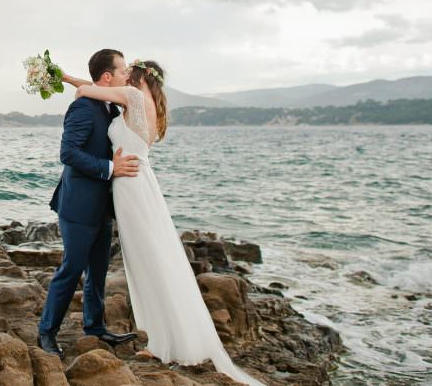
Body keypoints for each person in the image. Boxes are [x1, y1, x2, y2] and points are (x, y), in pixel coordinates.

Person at [66, 59, 266, 386]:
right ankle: (163, 341)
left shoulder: (131, 96)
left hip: (130, 186)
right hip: (141, 185)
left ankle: (165, 343)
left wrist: (73, 87)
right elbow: (98, 89)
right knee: (153, 260)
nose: (126, 71)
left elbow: (90, 90)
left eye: (131, 69)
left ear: (140, 76)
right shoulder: (152, 106)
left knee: (147, 262)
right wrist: (62, 76)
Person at [36, 49, 141, 357]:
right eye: (122, 71)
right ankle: (46, 333)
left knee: (98, 271)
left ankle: (95, 328)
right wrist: (111, 168)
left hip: (103, 206)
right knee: (72, 268)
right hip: (78, 205)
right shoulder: (83, 108)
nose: (127, 76)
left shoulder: (109, 106)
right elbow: (68, 153)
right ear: (107, 77)